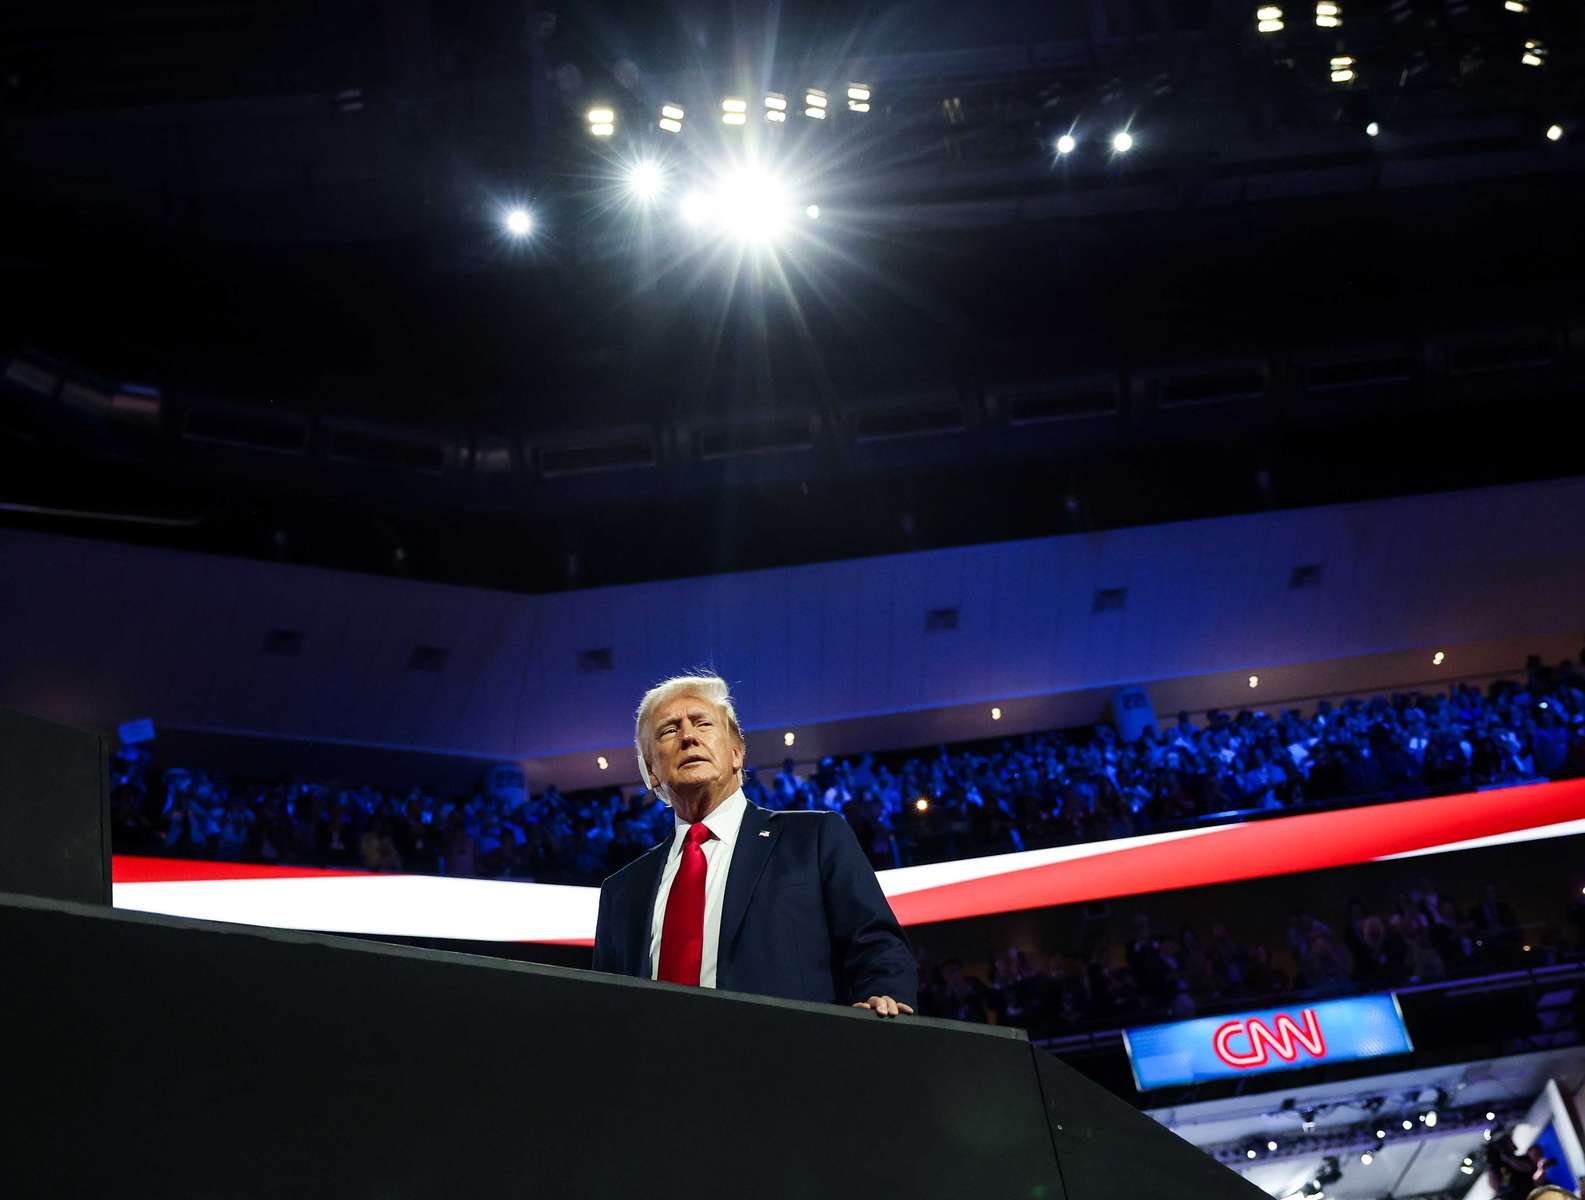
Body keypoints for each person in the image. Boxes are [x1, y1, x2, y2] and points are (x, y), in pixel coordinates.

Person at [591, 673, 918, 1017]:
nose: (688, 737)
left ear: (736, 753)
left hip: (787, 1062)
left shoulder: (814, 838)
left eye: (703, 724)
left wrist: (884, 998)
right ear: (651, 770)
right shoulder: (622, 892)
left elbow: (876, 943)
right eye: (669, 731)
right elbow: (606, 1011)